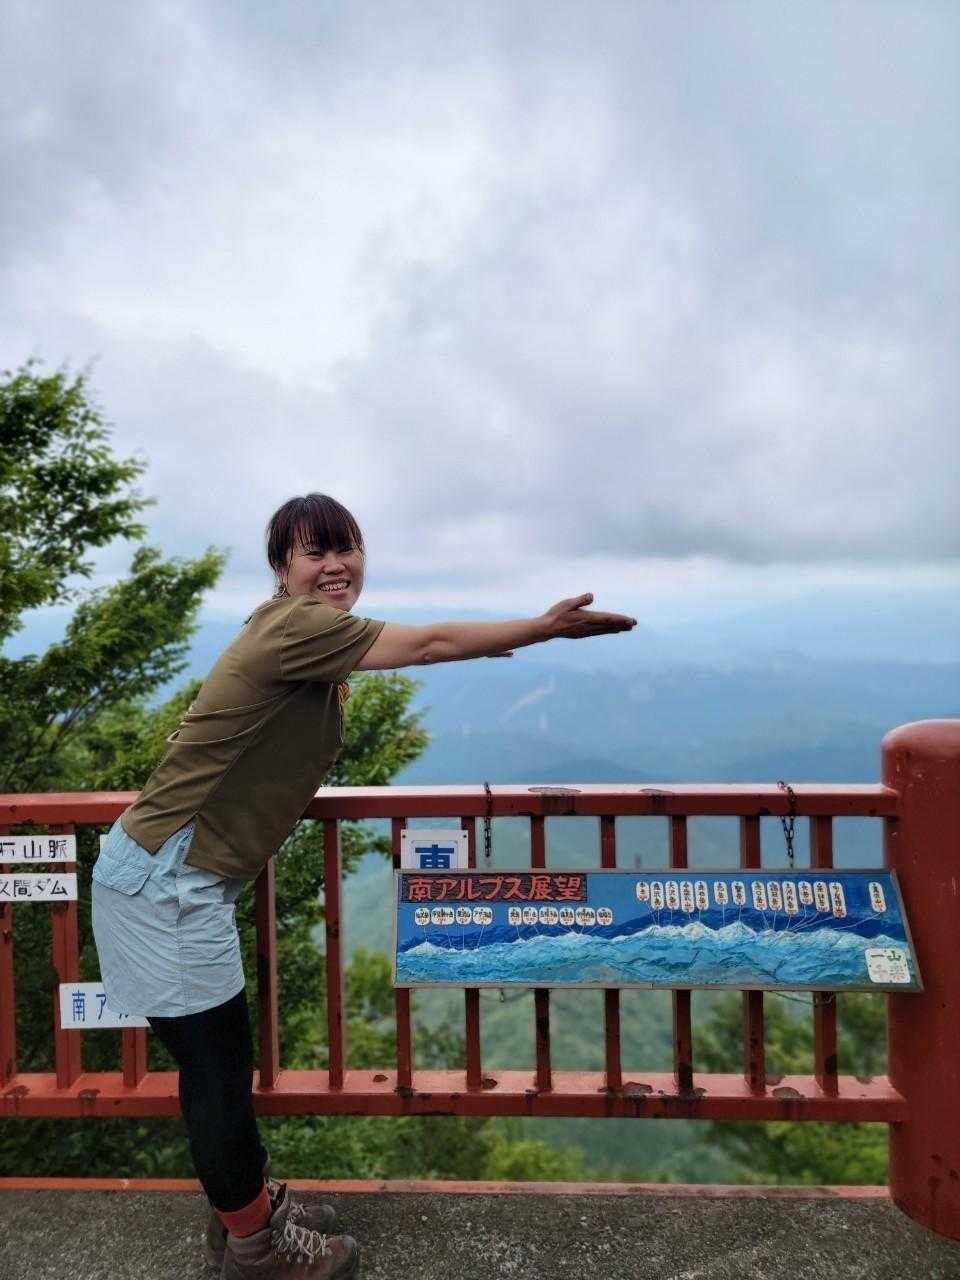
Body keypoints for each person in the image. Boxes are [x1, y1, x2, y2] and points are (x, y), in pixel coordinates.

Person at [90, 492, 637, 1279]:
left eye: (346, 547)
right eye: (314, 551)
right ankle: (255, 1249)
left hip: (173, 875)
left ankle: (247, 1211)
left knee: (220, 1071)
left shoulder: (296, 633)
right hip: (166, 881)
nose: (336, 565)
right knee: (217, 1078)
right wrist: (541, 628)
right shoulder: (294, 627)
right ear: (282, 567)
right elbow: (430, 643)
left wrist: (487, 647)